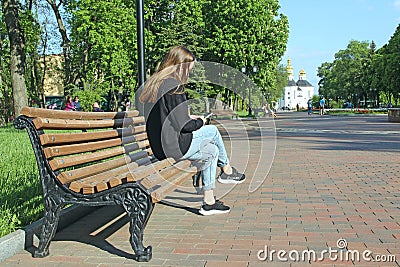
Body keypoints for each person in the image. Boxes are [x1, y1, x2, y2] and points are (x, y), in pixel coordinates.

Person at [140, 45, 245, 216]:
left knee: (211, 151)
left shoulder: (156, 83)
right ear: (181, 65)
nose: (189, 73)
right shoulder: (174, 86)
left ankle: (208, 202)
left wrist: (189, 116)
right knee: (211, 130)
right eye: (189, 68)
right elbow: (184, 126)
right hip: (172, 145)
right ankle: (227, 170)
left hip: (159, 145)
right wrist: (201, 121)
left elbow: (166, 116)